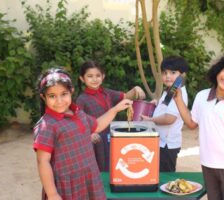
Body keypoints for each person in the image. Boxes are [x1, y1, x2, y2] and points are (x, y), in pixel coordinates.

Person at [33, 68, 132, 200]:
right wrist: (52, 194)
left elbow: (96, 125)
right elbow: (43, 161)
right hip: (67, 186)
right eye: (52, 96)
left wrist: (115, 109)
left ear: (71, 92)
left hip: (89, 178)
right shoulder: (47, 125)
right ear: (43, 97)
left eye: (64, 94)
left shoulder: (78, 113)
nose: (59, 101)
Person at [174, 53, 224, 200]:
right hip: (208, 164)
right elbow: (192, 123)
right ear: (218, 70)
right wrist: (179, 99)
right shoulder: (201, 96)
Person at [76, 60, 145, 171]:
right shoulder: (81, 99)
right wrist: (89, 134)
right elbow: (77, 123)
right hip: (96, 142)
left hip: (111, 137)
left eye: (98, 75)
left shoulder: (107, 93)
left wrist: (135, 89)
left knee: (113, 166)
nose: (94, 79)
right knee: (99, 169)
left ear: (103, 76)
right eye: (90, 76)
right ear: (82, 78)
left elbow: (126, 96)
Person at [141, 56, 189, 172]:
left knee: (165, 176)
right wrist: (157, 103)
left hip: (168, 145)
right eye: (164, 73)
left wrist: (150, 120)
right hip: (161, 142)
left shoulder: (178, 93)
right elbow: (166, 106)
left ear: (182, 75)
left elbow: (169, 118)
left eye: (173, 72)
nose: (167, 76)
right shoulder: (170, 89)